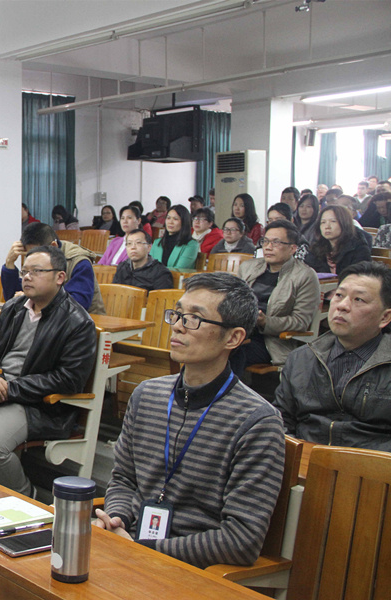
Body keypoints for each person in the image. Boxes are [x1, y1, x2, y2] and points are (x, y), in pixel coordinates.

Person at [93, 272, 284, 568]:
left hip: (192, 569)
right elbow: (124, 479)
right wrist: (116, 519)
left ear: (233, 337)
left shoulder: (257, 421)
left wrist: (144, 550)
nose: (178, 326)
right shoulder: (147, 395)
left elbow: (242, 540)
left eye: (194, 318)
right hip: (129, 548)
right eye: (178, 314)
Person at [0, 245, 97, 497]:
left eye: (36, 271)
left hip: (35, 403)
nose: (27, 277)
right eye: (25, 271)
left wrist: (10, 390)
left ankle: (26, 497)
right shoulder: (15, 307)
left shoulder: (77, 321)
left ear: (60, 277)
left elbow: (68, 379)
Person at [274, 261, 391, 451]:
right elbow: (281, 419)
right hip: (305, 458)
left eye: (359, 299)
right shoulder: (302, 359)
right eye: (339, 295)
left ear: (384, 317)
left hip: (371, 464)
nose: (342, 306)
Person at [232, 220, 320, 377]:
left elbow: (300, 321)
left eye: (276, 242)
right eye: (265, 241)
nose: (268, 247)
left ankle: (224, 392)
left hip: (270, 342)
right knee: (204, 345)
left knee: (231, 354)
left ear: (292, 248)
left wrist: (265, 321)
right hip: (239, 331)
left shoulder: (304, 276)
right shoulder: (249, 267)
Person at [2, 222, 105, 314]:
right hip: (45, 319)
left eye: (38, 254)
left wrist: (31, 300)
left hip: (83, 323)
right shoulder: (32, 262)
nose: (33, 259)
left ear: (53, 246)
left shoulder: (78, 261)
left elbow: (77, 305)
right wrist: (9, 264)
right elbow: (12, 299)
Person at [304, 205, 371, 275]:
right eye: (323, 222)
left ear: (344, 223)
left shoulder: (359, 248)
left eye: (333, 221)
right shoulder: (317, 248)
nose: (327, 226)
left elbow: (359, 276)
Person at [149, 205, 200, 269]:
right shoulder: (157, 242)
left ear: (184, 222)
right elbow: (150, 266)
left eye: (175, 219)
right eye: (168, 218)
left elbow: (180, 269)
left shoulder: (191, 244)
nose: (170, 222)